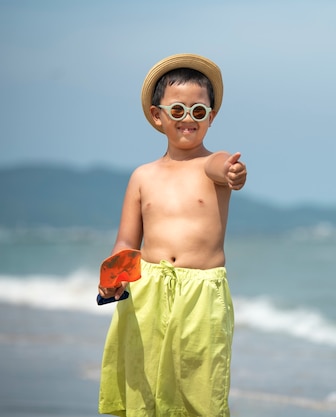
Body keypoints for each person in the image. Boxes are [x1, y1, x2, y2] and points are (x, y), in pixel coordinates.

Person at [98, 53, 247, 417]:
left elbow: (222, 167)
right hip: (146, 290)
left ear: (211, 118)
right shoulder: (142, 176)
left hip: (200, 292)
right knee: (143, 378)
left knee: (200, 383)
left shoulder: (212, 165)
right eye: (177, 110)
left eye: (199, 112)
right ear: (157, 115)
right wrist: (112, 277)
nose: (188, 120)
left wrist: (233, 172)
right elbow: (127, 241)